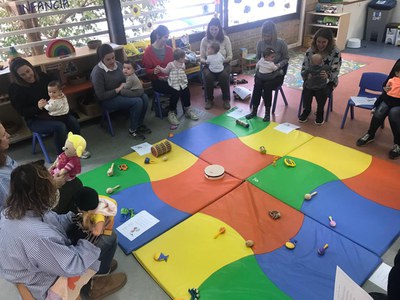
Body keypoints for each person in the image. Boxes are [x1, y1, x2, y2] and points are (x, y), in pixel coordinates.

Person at [0, 161, 127, 299]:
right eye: (50, 186)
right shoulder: (40, 237)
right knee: (108, 238)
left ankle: (100, 268)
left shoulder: (13, 210)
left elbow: (54, 221)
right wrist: (93, 236)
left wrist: (75, 217)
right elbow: (73, 265)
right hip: (47, 282)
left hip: (38, 265)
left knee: (100, 239)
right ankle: (95, 284)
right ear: (39, 194)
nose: (54, 188)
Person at [8, 57, 90, 158]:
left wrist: (58, 95)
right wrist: (38, 107)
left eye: (28, 71)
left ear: (31, 68)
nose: (28, 76)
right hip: (34, 118)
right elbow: (22, 112)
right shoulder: (15, 89)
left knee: (72, 121)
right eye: (23, 75)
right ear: (18, 77)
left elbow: (56, 88)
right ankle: (62, 155)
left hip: (53, 111)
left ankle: (78, 147)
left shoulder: (43, 77)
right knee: (59, 127)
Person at [91, 44, 151, 140]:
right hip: (108, 99)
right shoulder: (97, 72)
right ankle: (133, 130)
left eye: (113, 57)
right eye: (108, 59)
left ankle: (139, 124)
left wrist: (135, 83)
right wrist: (118, 89)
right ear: (101, 59)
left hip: (123, 91)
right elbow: (101, 95)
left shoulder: (118, 65)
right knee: (137, 101)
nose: (112, 61)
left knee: (144, 97)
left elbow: (127, 78)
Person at [142, 25, 198, 126]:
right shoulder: (148, 51)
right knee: (176, 89)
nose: (166, 39)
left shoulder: (169, 50)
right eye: (165, 37)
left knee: (184, 87)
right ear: (158, 36)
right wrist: (153, 71)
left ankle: (187, 109)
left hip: (171, 78)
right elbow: (147, 70)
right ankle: (171, 112)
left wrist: (181, 63)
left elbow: (174, 63)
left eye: (167, 37)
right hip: (157, 81)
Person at [245, 21, 289, 122]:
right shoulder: (260, 43)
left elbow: (286, 58)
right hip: (262, 72)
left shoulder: (281, 43)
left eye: (268, 36)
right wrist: (260, 66)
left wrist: (278, 66)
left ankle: (267, 112)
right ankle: (254, 110)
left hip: (275, 73)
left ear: (273, 34)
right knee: (258, 84)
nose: (266, 38)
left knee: (267, 86)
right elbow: (258, 57)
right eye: (264, 35)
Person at [356, 59, 400, 159]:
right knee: (380, 110)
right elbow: (387, 82)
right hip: (390, 98)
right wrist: (386, 88)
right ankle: (370, 134)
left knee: (394, 113)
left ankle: (398, 144)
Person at [298, 28, 342, 125]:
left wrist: (328, 76)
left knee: (322, 92)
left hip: (328, 81)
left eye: (324, 42)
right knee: (306, 90)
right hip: (311, 80)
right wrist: (306, 76)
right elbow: (304, 67)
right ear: (315, 40)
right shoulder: (310, 51)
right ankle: (307, 109)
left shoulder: (335, 52)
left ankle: (320, 111)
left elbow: (336, 69)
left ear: (329, 42)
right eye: (318, 41)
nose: (320, 44)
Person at [155, 48, 199, 122]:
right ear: (179, 58)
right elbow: (166, 71)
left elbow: (182, 73)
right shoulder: (171, 64)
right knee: (175, 94)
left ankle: (187, 109)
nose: (185, 59)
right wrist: (160, 68)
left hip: (182, 83)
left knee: (186, 92)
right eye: (183, 58)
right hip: (174, 84)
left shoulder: (183, 64)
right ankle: (171, 112)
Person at [200, 17, 233, 110]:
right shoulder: (204, 40)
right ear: (208, 29)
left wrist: (221, 61)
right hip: (209, 65)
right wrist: (206, 62)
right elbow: (201, 57)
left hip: (223, 64)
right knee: (208, 76)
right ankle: (209, 99)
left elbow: (230, 56)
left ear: (219, 29)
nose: (213, 32)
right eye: (211, 29)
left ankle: (226, 99)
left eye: (216, 29)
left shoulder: (225, 39)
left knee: (223, 75)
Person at [0, 122, 17, 210]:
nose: (9, 135)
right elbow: (17, 207)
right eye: (3, 135)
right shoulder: (2, 182)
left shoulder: (3, 157)